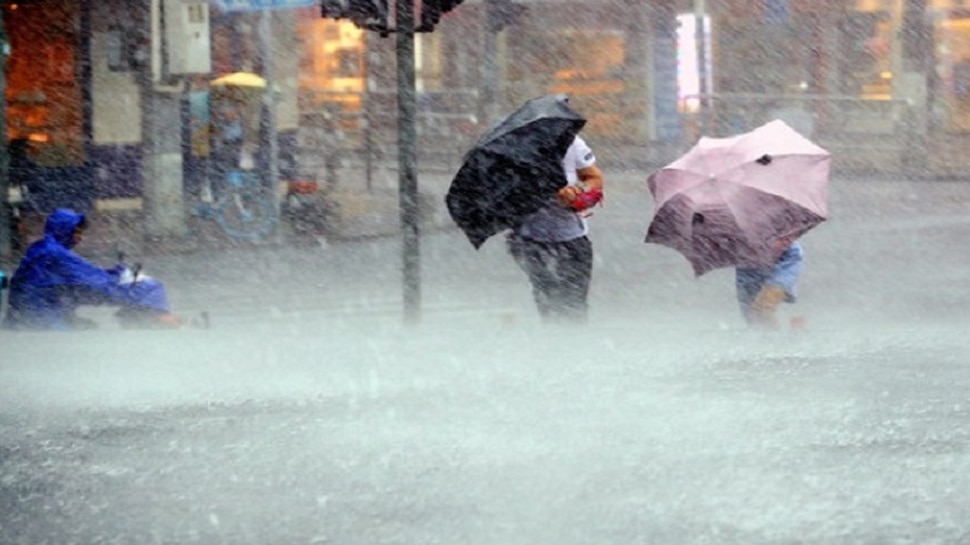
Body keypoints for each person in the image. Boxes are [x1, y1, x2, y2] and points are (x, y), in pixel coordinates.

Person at [3, 208, 179, 330]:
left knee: (87, 326)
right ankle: (163, 319)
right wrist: (140, 291)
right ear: (64, 230)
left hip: (26, 315)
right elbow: (94, 283)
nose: (79, 238)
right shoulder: (54, 254)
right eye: (76, 232)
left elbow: (79, 278)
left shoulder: (42, 248)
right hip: (42, 318)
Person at [507, 135, 604, 323]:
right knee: (547, 295)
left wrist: (578, 193)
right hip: (531, 239)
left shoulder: (573, 143)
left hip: (572, 237)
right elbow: (504, 191)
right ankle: (554, 341)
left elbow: (594, 178)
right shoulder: (516, 148)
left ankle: (574, 342)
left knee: (575, 300)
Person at [735, 240, 803, 329]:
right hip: (747, 261)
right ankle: (771, 336)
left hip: (782, 255)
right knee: (753, 316)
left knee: (763, 308)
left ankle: (775, 339)